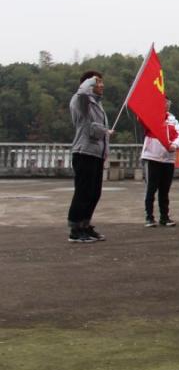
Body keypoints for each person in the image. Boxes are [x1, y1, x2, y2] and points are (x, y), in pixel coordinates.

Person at [67, 71, 113, 243]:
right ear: (88, 84)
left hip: (96, 153)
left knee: (94, 193)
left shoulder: (97, 104)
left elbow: (98, 129)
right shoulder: (81, 100)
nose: (102, 85)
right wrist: (91, 80)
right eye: (98, 82)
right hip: (84, 152)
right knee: (83, 192)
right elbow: (82, 92)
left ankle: (85, 224)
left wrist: (105, 147)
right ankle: (75, 229)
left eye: (101, 81)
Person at [140, 97, 179, 227]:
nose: (166, 105)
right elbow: (141, 117)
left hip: (168, 159)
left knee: (164, 190)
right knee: (151, 189)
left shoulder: (172, 119)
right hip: (152, 157)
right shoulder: (151, 117)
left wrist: (174, 145)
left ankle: (164, 217)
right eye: (164, 103)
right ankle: (149, 217)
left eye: (168, 103)